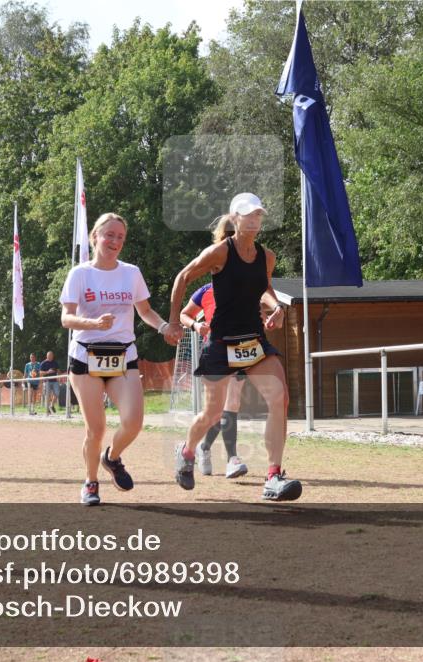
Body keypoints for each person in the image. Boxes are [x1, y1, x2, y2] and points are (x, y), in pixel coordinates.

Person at [167, 193, 301, 501]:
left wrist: (276, 307)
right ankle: (186, 451)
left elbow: (265, 287)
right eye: (248, 215)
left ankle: (273, 476)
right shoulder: (219, 253)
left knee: (279, 399)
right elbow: (183, 276)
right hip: (221, 343)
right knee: (213, 412)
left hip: (253, 341)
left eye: (258, 215)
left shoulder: (266, 256)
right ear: (235, 218)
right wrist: (175, 322)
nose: (254, 220)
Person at [61, 212, 180, 505]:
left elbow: (145, 311)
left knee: (133, 421)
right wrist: (93, 324)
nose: (115, 241)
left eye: (120, 237)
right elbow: (66, 318)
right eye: (109, 235)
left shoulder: (131, 273)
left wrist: (164, 326)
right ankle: (90, 483)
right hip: (85, 357)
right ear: (95, 237)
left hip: (123, 355)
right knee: (96, 428)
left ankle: (111, 458)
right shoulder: (80, 273)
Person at [179, 216, 248, 479]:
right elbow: (185, 314)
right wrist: (195, 326)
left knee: (233, 403)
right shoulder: (205, 290)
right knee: (215, 410)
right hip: (216, 348)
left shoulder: (246, 286)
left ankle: (231, 458)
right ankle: (202, 447)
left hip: (242, 347)